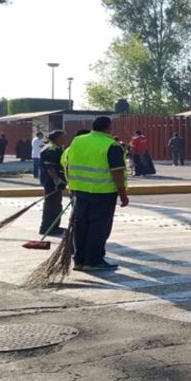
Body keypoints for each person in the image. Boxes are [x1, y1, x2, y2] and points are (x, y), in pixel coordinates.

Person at [62, 116, 128, 271]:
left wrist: (71, 186)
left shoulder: (77, 141)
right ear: (108, 127)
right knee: (99, 227)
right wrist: (123, 193)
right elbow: (117, 172)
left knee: (81, 225)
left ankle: (79, 259)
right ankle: (94, 260)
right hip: (103, 192)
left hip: (80, 190)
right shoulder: (112, 145)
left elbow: (69, 165)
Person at [38, 130, 67, 237]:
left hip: (54, 182)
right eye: (64, 137)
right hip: (51, 182)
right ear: (58, 138)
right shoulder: (51, 149)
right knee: (51, 205)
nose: (65, 139)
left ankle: (54, 227)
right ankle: (46, 228)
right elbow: (50, 167)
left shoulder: (56, 148)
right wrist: (57, 181)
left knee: (56, 205)